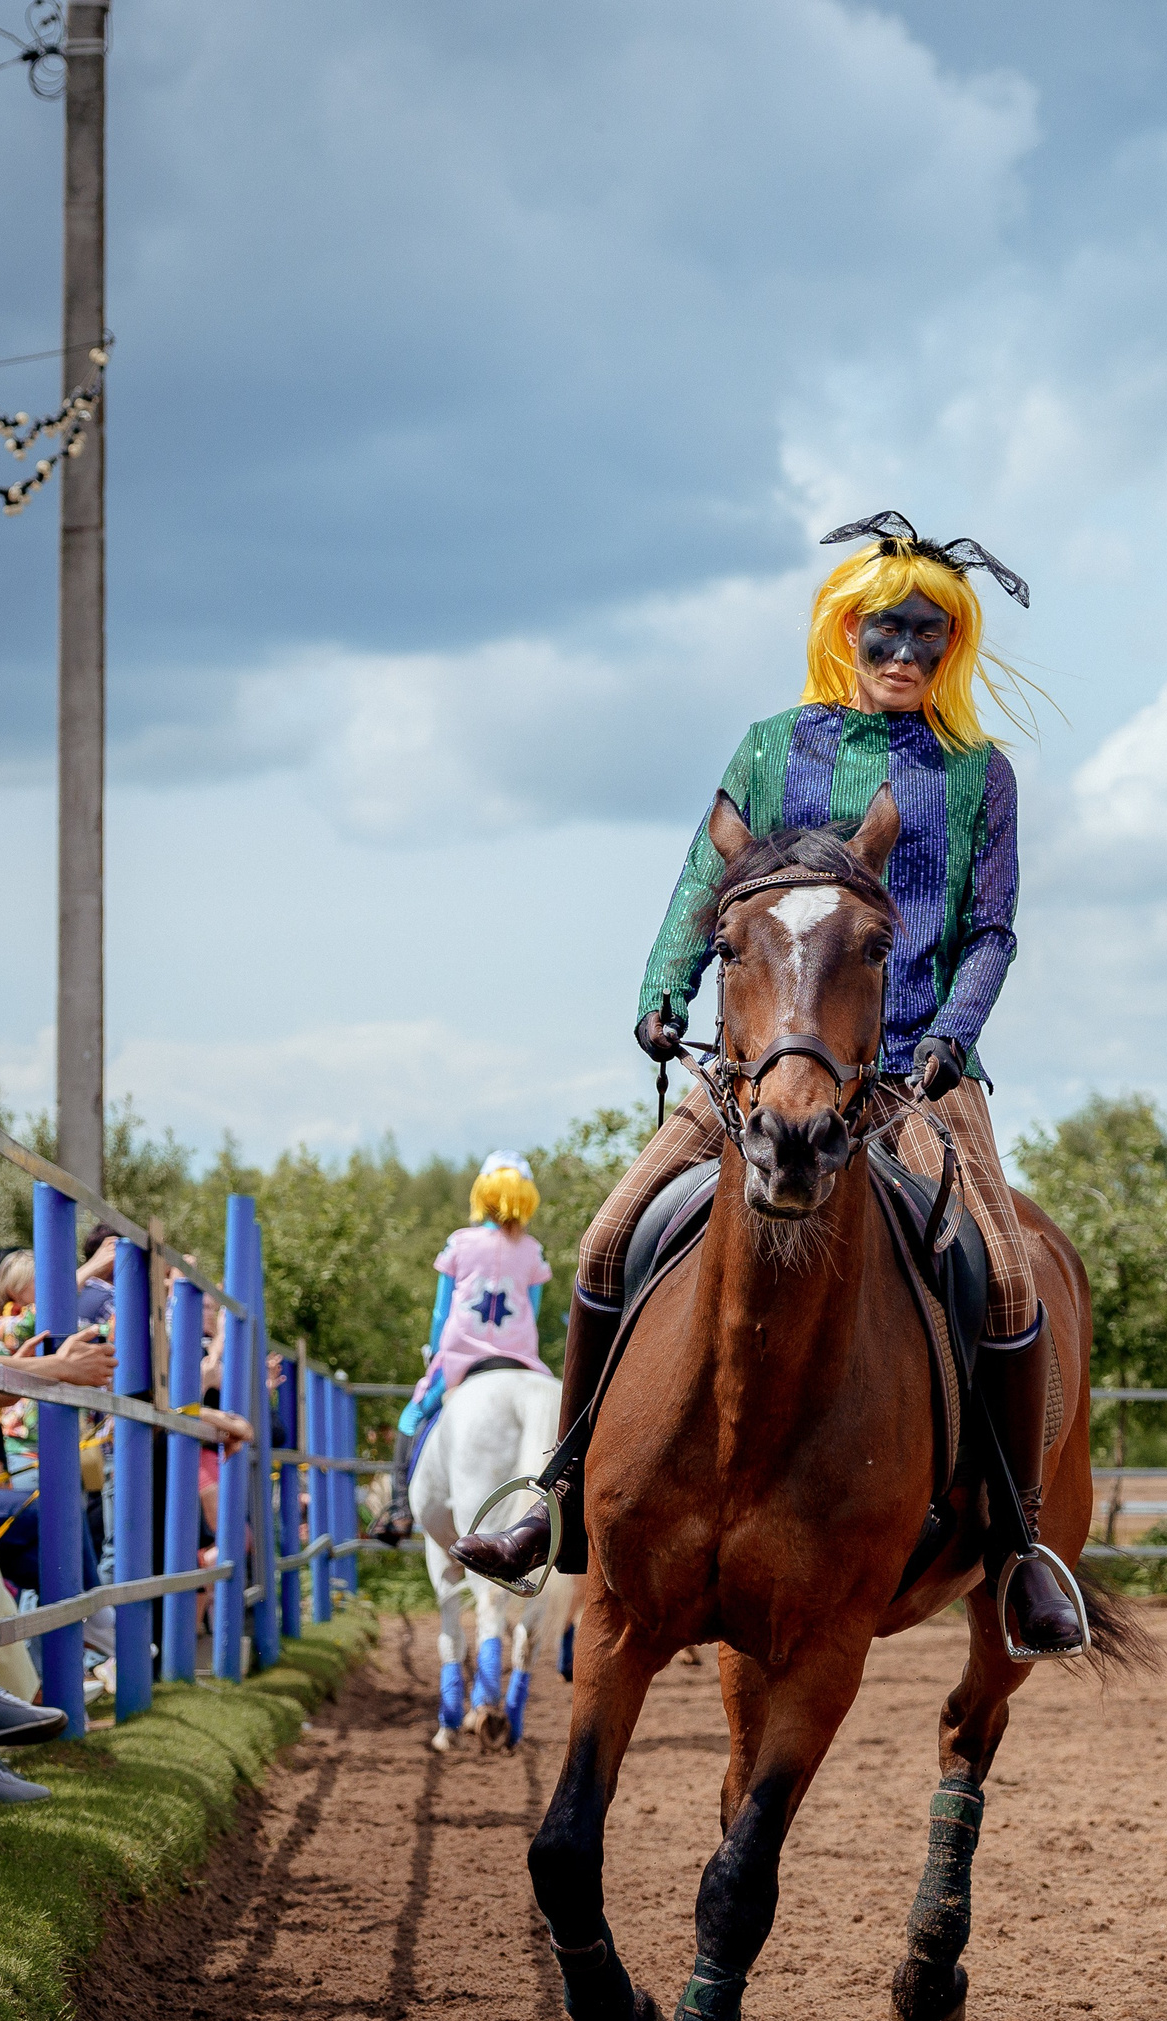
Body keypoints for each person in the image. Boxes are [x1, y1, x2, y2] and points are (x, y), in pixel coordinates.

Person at [452, 511, 1085, 1656]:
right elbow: (707, 878)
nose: (903, 651)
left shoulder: (977, 774)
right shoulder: (768, 747)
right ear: (844, 630)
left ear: (954, 645)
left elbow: (991, 931)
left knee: (1001, 1274)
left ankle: (1018, 1546)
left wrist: (950, 1032)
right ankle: (556, 1491)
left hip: (913, 1072)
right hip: (761, 1072)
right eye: (883, 629)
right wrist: (663, 990)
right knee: (606, 1236)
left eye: (927, 634)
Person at [371, 1154, 554, 1542]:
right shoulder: (534, 1251)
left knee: (410, 1417)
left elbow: (442, 1313)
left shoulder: (459, 1242)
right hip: (520, 1360)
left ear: (483, 1194)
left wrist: (438, 1353)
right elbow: (532, 1315)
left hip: (463, 1360)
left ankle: (400, 1510)